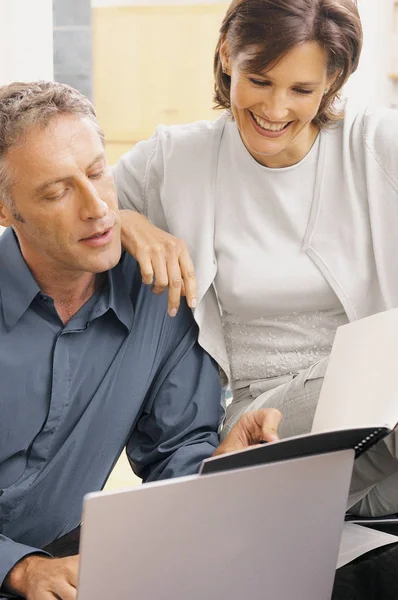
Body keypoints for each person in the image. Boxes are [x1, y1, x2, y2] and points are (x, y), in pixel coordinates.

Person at [115, 0, 398, 518]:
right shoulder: (177, 159)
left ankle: (328, 511)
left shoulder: (375, 145)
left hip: (383, 409)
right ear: (227, 55)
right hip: (264, 419)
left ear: (333, 79)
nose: (275, 110)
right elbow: (81, 209)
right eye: (260, 80)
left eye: (302, 90)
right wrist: (130, 222)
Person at [0, 80, 281, 600]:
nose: (96, 207)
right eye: (57, 191)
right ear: (5, 208)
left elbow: (175, 450)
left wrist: (220, 463)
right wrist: (18, 569)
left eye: (95, 172)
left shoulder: (157, 293)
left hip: (70, 572)